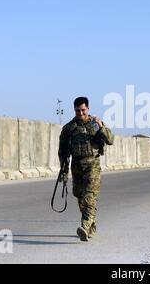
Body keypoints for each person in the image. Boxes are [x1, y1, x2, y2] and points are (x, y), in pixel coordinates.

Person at [58, 97, 114, 242]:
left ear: (88, 109)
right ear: (74, 110)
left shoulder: (96, 124)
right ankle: (91, 224)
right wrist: (63, 170)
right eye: (78, 110)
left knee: (89, 196)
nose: (81, 113)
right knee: (80, 198)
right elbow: (63, 151)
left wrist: (101, 126)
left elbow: (110, 140)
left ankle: (84, 225)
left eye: (83, 110)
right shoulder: (69, 128)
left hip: (92, 166)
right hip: (76, 166)